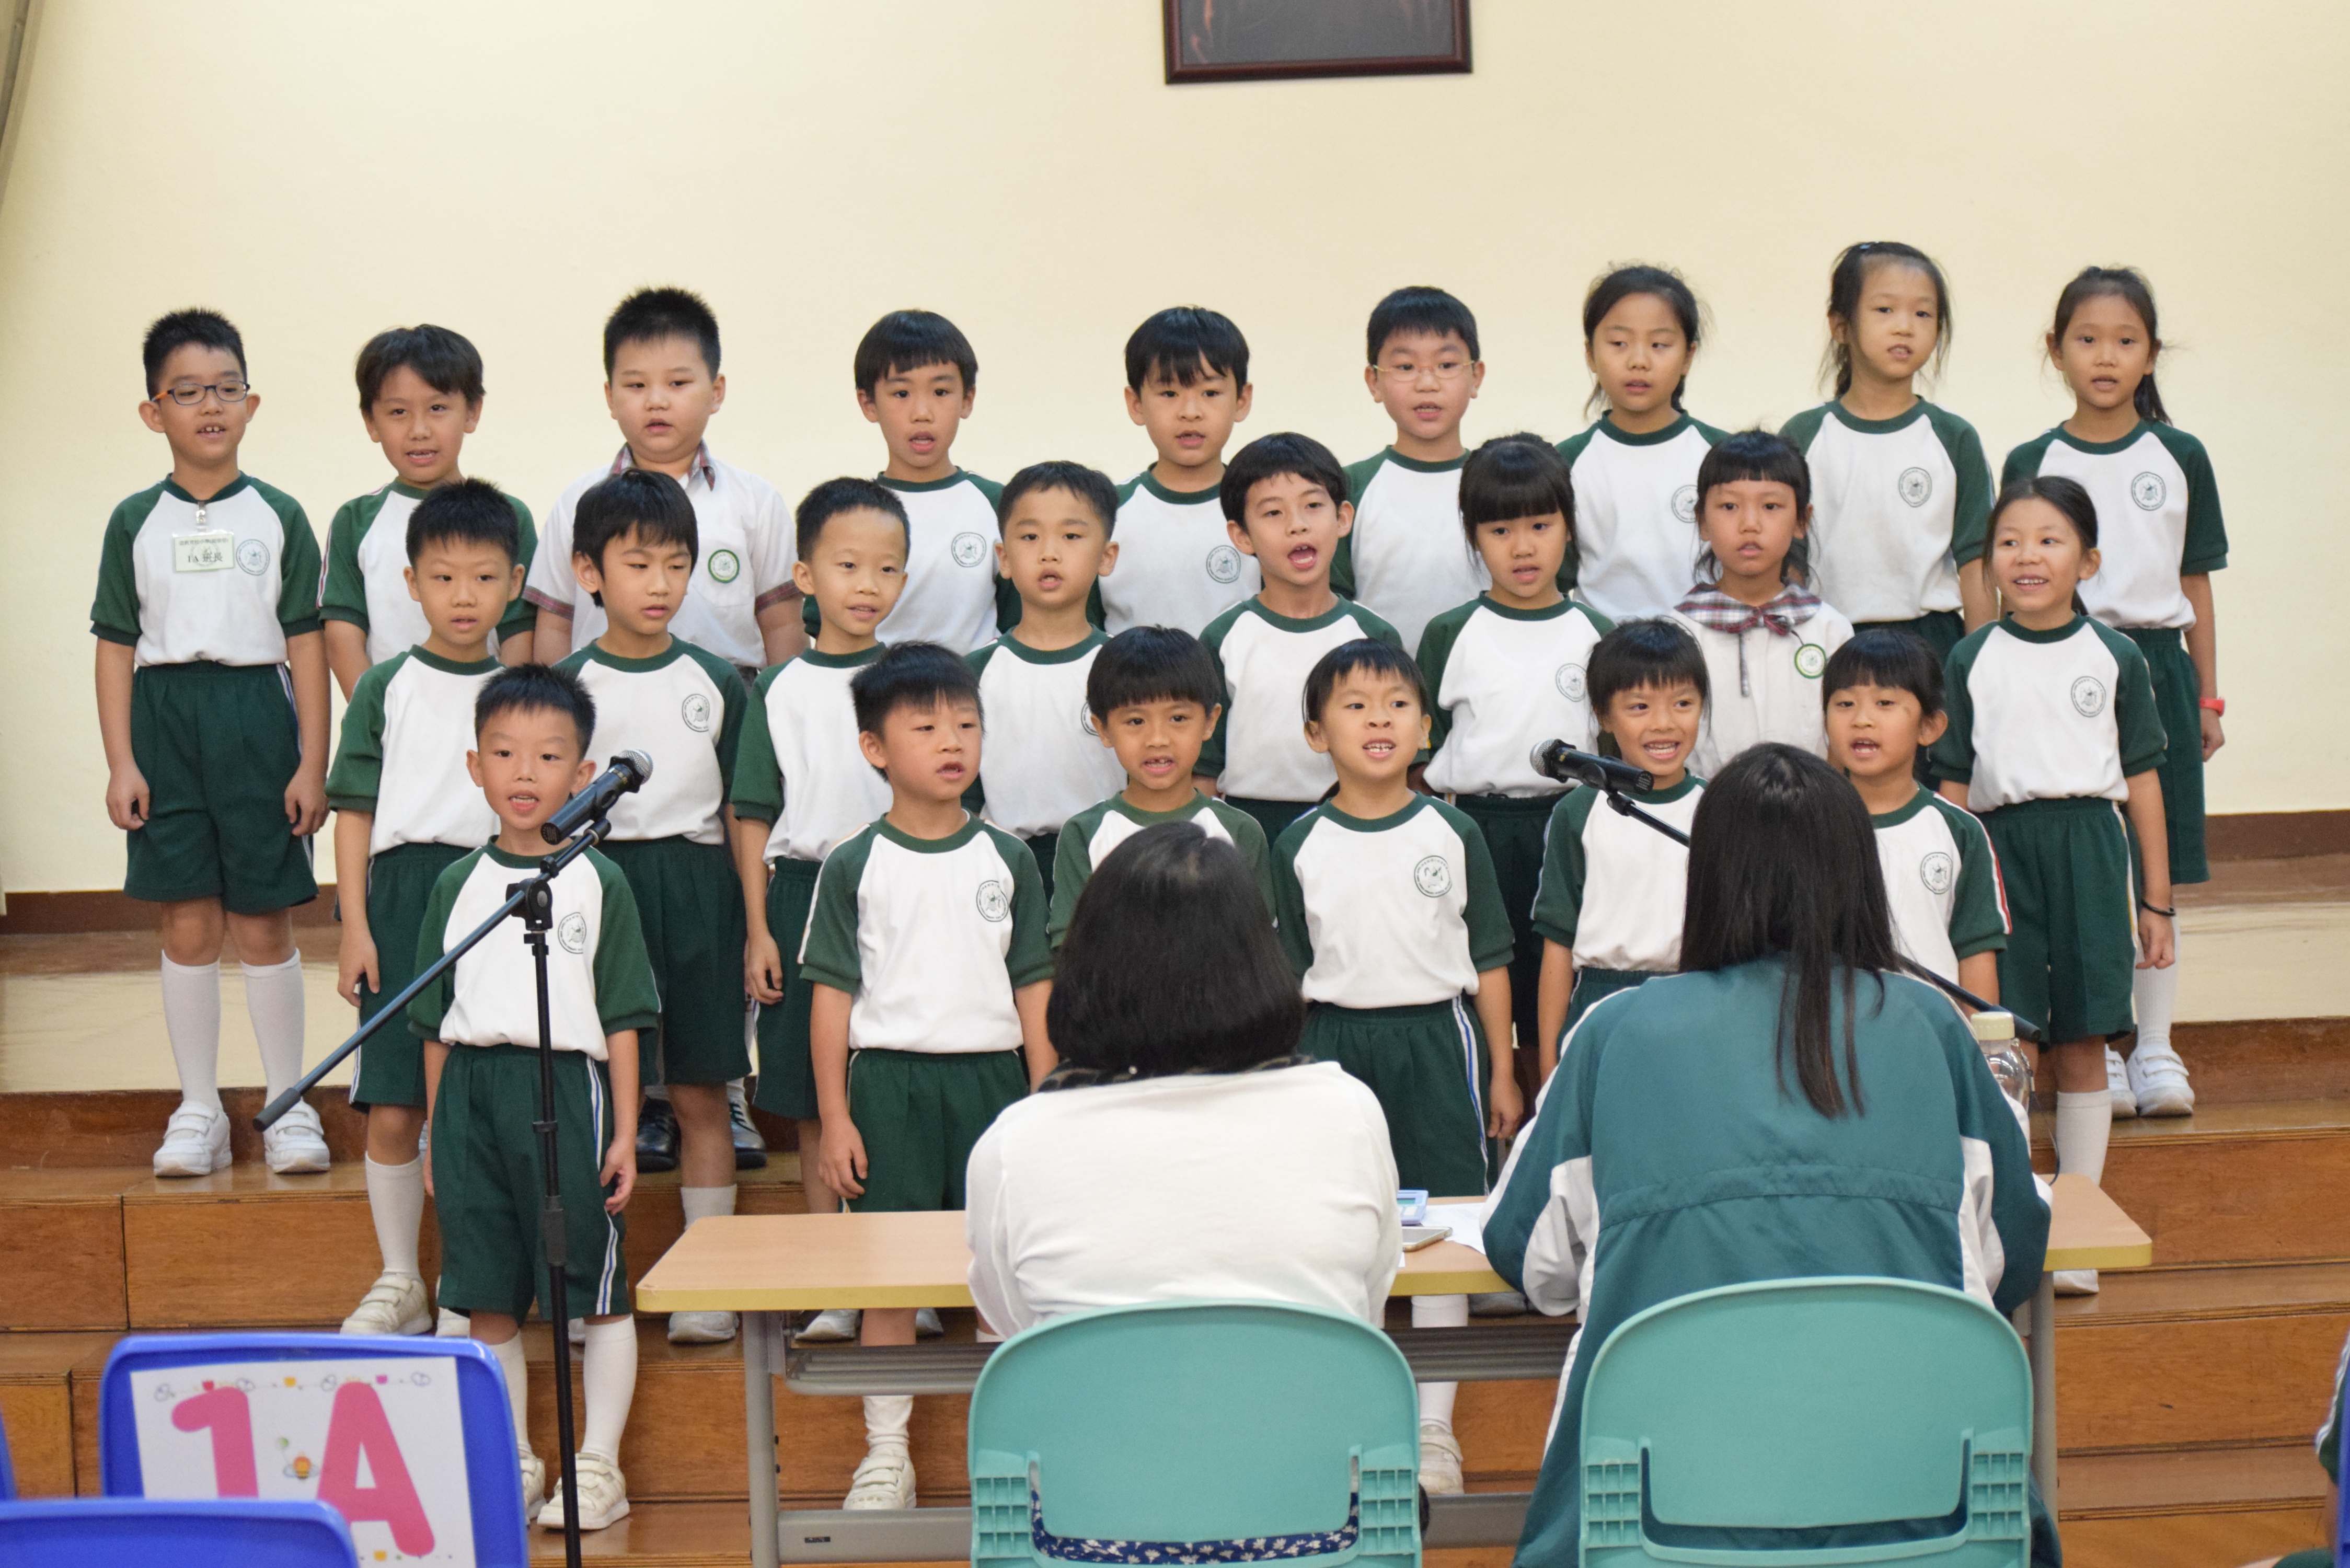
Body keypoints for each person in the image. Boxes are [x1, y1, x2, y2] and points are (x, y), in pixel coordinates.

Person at [1487, 743, 2052, 1568]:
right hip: (1921, 1524)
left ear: (1708, 878)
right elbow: (2015, 1253)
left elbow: (1527, 1257)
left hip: (1659, 1532)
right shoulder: (1934, 1028)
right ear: (1858, 875)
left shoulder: (1614, 1035)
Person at [524, 288, 790, 1168]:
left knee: (712, 969)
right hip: (605, 748)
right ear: (610, 395)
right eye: (636, 384)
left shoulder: (751, 501)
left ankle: (723, 1093)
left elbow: (780, 622)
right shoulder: (577, 502)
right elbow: (551, 622)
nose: (658, 401)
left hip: (719, 722)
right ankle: (640, 1107)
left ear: (717, 390)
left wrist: (787, 714)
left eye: (679, 382)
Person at [968, 822, 1401, 1332]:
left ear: (1087, 963)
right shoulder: (1347, 1112)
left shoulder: (1017, 1142)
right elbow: (1367, 1302)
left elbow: (1016, 1324)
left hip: (1102, 1387)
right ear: (1261, 960)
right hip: (1310, 1385)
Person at [804, 642, 1055, 1511]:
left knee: (1000, 1279)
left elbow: (1034, 988)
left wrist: (1044, 1103)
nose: (952, 742)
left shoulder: (1009, 859)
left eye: (967, 725)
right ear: (875, 748)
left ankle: (1007, 1456)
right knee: (890, 1279)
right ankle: (887, 1455)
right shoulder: (852, 862)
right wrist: (835, 1117)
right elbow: (832, 1000)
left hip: (994, 1087)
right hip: (890, 1088)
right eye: (926, 727)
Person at [1268, 639, 1521, 1499]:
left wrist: (1502, 1070)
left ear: (1425, 729)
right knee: (1345, 1231)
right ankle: (1363, 1421)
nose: (1378, 720)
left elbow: (1490, 959)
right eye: (1355, 705)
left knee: (1441, 1228)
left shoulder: (1453, 830)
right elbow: (1286, 978)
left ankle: (1434, 1429)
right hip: (1331, 1048)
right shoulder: (1298, 843)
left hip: (1438, 1040)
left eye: (1397, 704)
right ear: (1316, 733)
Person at [412, 663, 656, 1532]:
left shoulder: (600, 881)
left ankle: (599, 1465)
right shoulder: (455, 886)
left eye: (549, 757)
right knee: (485, 1289)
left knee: (593, 1282)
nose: (525, 773)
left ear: (583, 775)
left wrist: (624, 1130)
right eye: (505, 753)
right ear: (473, 766)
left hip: (565, 1086)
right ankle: (511, 1457)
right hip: (471, 1093)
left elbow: (624, 1018)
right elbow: (435, 1024)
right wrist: (437, 1131)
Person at [92, 308, 331, 1178]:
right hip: (164, 721)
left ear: (251, 404)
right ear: (153, 411)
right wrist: (123, 761)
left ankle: (289, 1103)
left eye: (226, 389)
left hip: (256, 718)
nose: (210, 406)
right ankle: (198, 1108)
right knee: (188, 921)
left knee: (264, 921)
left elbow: (306, 642)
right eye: (187, 392)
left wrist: (311, 761)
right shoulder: (134, 521)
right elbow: (115, 646)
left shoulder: (280, 514)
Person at [1933, 475, 2174, 1293]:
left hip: (2090, 852)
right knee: (2009, 1040)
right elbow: (1953, 786)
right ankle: (2012, 1222)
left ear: (2089, 561)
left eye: (2048, 540)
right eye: (2009, 541)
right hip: (1999, 851)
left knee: (2081, 1040)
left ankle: (2077, 1225)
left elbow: (2143, 783)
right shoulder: (1970, 657)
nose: (2027, 556)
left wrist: (2156, 900)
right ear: (1989, 562)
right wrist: (1945, 892)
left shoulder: (2115, 656)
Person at [2003, 266, 2222, 1121]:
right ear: (2054, 351)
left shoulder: (2180, 454)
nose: (2105, 356)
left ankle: (2156, 1045)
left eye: (2125, 340)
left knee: (2156, 862)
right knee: (2090, 866)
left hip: (2157, 667)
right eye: (2087, 339)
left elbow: (2195, 581)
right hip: (2063, 664)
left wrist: (2207, 697)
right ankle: (2103, 1047)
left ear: (2150, 354)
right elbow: (2011, 582)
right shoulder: (2033, 460)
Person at [327, 480, 528, 1338]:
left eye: (483, 578)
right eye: (443, 578)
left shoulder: (523, 693)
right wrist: (355, 926)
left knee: (481, 1101)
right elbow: (354, 813)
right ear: (411, 584)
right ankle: (402, 1277)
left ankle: (468, 1281)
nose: (463, 596)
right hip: (404, 899)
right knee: (397, 1103)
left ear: (515, 584)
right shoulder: (385, 687)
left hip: (495, 896)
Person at [554, 469, 751, 1343]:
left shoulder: (718, 681)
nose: (660, 583)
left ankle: (710, 1280)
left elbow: (744, 812)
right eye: (638, 564)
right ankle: (589, 1281)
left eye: (677, 564)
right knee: (593, 1092)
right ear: (588, 572)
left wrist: (754, 925)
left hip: (699, 886)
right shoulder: (565, 684)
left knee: (703, 1088)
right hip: (597, 888)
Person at [730, 478, 906, 1331]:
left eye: (887, 569)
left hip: (902, 890)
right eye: (847, 565)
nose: (868, 584)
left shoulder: (916, 681)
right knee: (810, 1097)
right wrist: (759, 927)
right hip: (802, 893)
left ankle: (906, 1278)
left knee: (891, 1082)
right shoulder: (779, 689)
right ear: (804, 576)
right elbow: (752, 813)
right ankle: (838, 1280)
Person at [1418, 433, 1607, 1111]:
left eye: (1539, 526)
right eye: (1500, 530)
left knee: (1559, 989)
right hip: (1478, 831)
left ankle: (1554, 1119)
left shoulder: (1595, 631)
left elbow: (1615, 755)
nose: (1522, 547)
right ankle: (1495, 1118)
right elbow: (1418, 758)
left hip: (1570, 828)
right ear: (1473, 536)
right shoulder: (1449, 633)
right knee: (1486, 986)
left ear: (1568, 526)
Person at [1778, 243, 1996, 660]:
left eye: (1923, 314)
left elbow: (1977, 565)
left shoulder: (1955, 438)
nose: (1905, 327)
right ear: (1841, 326)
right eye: (1885, 310)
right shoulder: (1804, 436)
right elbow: (1789, 564)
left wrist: (1979, 667)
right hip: (1830, 641)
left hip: (1933, 645)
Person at [1198, 433, 1403, 844]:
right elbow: (1203, 769)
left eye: (1313, 505)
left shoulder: (1374, 635)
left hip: (1351, 823)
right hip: (1249, 827)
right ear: (1241, 536)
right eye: (1273, 513)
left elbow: (1400, 758)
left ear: (1342, 517)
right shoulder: (1223, 637)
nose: (1297, 524)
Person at [320, 324, 538, 695]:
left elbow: (519, 632)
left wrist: (506, 712)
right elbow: (343, 637)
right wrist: (377, 714)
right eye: (398, 412)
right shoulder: (355, 521)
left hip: (490, 717)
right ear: (371, 422)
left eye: (437, 408)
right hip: (394, 718)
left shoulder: (509, 515)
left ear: (472, 412)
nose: (419, 430)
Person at [1531, 619, 1708, 1073]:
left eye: (1683, 703)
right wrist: (1551, 1066)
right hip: (1602, 1003)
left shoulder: (1720, 809)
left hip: (1698, 1001)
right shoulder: (1577, 812)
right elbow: (1558, 945)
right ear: (1604, 715)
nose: (1663, 724)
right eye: (1639, 707)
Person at [965, 462, 1128, 903]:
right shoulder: (971, 675)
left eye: (1071, 536)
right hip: (1005, 871)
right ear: (1003, 558)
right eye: (1030, 537)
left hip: (1112, 865)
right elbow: (961, 796)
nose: (1049, 553)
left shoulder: (1128, 668)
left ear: (1107, 556)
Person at [1052, 626, 1274, 948]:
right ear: (1103, 729)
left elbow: (1257, 947)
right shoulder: (1085, 834)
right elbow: (1072, 950)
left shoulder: (1239, 831)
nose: (1157, 739)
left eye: (1178, 718)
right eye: (1136, 721)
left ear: (1210, 722)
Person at [1823, 629, 2006, 999]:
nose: (1862, 719)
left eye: (1885, 703)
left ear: (1929, 727)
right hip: (1833, 1025)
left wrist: (1978, 1034)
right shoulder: (1805, 825)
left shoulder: (1958, 830)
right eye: (1845, 704)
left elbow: (1976, 955)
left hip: (1934, 1026)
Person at [1670, 429, 1853, 777]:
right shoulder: (1679, 633)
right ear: (1703, 522)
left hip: (1812, 803)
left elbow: (1843, 739)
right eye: (1729, 507)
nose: (1750, 524)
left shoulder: (1830, 630)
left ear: (1802, 520)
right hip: (1705, 805)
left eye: (1770, 507)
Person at [1554, 265, 1727, 621]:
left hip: (1704, 644)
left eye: (1659, 345)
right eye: (1619, 344)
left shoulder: (1723, 456)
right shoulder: (1565, 463)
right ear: (1590, 354)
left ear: (1688, 356)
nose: (1639, 361)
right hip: (1602, 648)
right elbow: (1554, 578)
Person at [1334, 286, 1490, 651]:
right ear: (1374, 382)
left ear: (1476, 376)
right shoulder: (1348, 488)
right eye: (1405, 367)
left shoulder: (1501, 483)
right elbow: (1330, 604)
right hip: (1376, 682)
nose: (1427, 384)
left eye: (1447, 365)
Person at [847, 309, 1005, 652]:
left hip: (975, 686)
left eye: (941, 392)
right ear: (869, 403)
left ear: (967, 399)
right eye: (902, 394)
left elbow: (1022, 621)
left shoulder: (1001, 505)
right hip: (876, 685)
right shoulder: (849, 513)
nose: (923, 413)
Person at [1104, 306, 1258, 635]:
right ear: (1136, 404)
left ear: (1242, 401)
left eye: (1210, 393)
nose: (1190, 412)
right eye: (1169, 393)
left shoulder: (1266, 509)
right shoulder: (1106, 512)